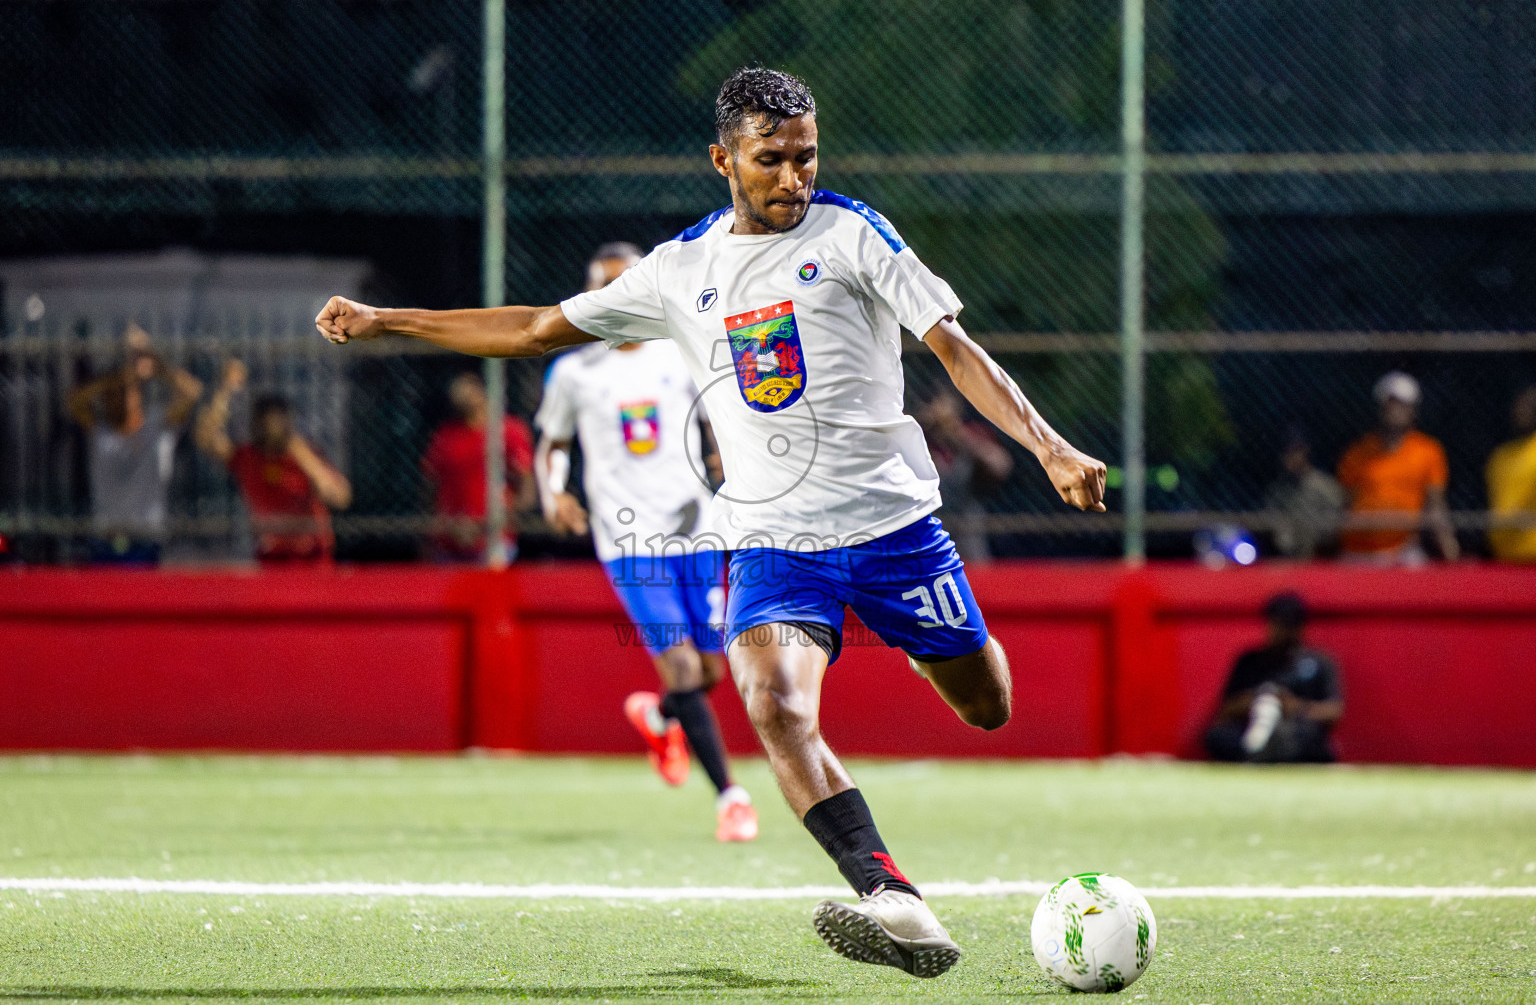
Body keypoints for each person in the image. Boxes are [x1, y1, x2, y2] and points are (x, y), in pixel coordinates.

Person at [315, 66, 1106, 979]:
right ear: (722, 158)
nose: (793, 179)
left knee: (987, 708)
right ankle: (890, 894)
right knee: (772, 703)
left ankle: (938, 693)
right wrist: (385, 322)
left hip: (896, 530)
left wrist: (1047, 446)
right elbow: (535, 328)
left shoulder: (854, 234)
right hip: (772, 540)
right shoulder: (679, 270)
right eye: (771, 160)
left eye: (806, 158)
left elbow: (953, 348)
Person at [534, 241, 756, 843]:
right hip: (630, 543)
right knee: (682, 663)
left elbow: (719, 420)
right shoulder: (575, 371)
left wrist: (727, 460)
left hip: (698, 532)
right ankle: (731, 798)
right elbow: (552, 444)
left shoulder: (679, 356)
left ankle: (658, 715)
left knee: (711, 667)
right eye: (605, 289)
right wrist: (554, 492)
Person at [66, 325, 204, 564]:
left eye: (128, 390)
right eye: (115, 392)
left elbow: (192, 392)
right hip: (104, 544)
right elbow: (74, 401)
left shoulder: (157, 427)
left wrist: (156, 364)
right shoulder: (101, 432)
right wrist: (119, 377)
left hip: (146, 543)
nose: (121, 396)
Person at [196, 359, 352, 564]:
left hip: (312, 559)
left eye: (276, 422)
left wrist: (300, 452)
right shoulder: (248, 458)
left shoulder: (302, 454)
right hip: (272, 559)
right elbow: (206, 437)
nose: (270, 429)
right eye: (264, 423)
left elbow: (341, 497)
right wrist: (226, 391)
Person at [1336, 371, 1458, 565]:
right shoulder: (1357, 453)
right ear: (1381, 407)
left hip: (1403, 551)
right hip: (1358, 553)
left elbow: (1436, 506)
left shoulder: (1428, 451)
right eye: (1391, 403)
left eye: (1402, 404)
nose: (1395, 409)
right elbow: (1345, 505)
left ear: (1413, 410)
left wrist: (1451, 553)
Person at [1205, 593, 1343, 764]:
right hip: (1250, 727)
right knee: (1219, 736)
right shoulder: (1249, 660)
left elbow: (1334, 711)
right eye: (1277, 624)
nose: (1281, 631)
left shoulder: (1319, 661)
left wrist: (1294, 707)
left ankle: (1270, 749)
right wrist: (1252, 702)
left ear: (1300, 627)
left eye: (1288, 625)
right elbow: (1225, 709)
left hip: (1295, 728)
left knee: (1308, 738)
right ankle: (1259, 750)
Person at [421, 371, 535, 563]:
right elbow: (429, 487)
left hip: (494, 543)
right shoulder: (445, 436)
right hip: (448, 543)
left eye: (469, 389)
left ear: (483, 393)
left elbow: (526, 486)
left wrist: (497, 522)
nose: (462, 394)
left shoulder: (509, 430)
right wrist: (443, 526)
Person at [918, 389, 1012, 564]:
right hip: (927, 525)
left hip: (967, 526)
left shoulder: (972, 433)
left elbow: (1000, 466)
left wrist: (955, 435)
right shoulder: (916, 438)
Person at [1262, 426, 1346, 560]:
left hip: (1321, 557)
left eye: (1296, 450)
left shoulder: (1324, 485)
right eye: (1287, 452)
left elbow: (1337, 524)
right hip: (1288, 558)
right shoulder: (1277, 491)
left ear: (1305, 451)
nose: (1291, 457)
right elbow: (1273, 525)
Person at [1487, 384, 1536, 562]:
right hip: (1503, 556)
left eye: (1529, 406)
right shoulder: (1500, 457)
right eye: (1519, 406)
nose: (1521, 412)